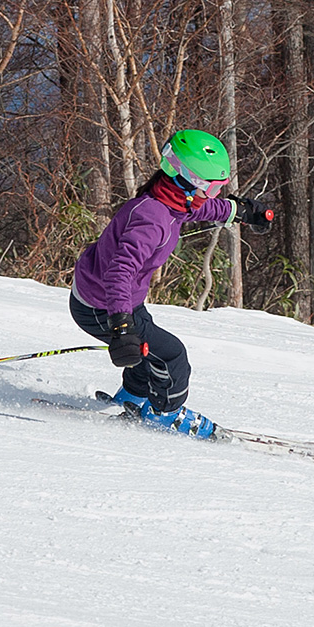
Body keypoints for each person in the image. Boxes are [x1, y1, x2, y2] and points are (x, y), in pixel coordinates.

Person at [69, 128, 273, 440]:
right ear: (191, 181)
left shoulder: (168, 199)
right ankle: (166, 413)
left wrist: (241, 211)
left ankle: (131, 399)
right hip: (104, 305)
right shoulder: (153, 219)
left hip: (113, 299)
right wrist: (122, 325)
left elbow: (201, 208)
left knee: (145, 352)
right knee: (172, 355)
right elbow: (120, 271)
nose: (215, 193)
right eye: (213, 187)